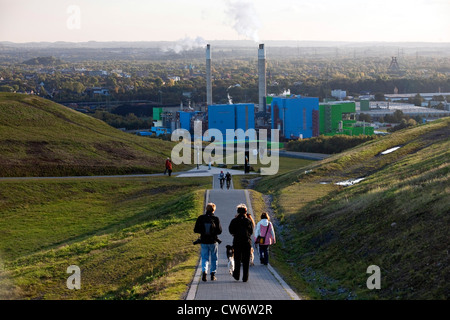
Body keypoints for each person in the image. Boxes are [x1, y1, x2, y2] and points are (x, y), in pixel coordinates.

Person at [194, 203, 222, 281]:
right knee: (214, 258)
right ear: (214, 210)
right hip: (213, 241)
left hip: (204, 241)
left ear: (206, 209)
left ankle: (204, 272)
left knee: (204, 258)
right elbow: (219, 231)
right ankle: (213, 274)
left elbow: (195, 230)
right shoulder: (216, 219)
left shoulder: (201, 218)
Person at [228, 204, 254, 282]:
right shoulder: (248, 221)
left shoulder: (234, 220)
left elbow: (230, 230)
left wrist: (234, 234)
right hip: (247, 242)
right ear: (245, 212)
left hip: (237, 241)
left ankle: (236, 275)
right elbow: (251, 231)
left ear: (238, 212)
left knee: (237, 259)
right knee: (246, 260)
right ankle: (245, 277)